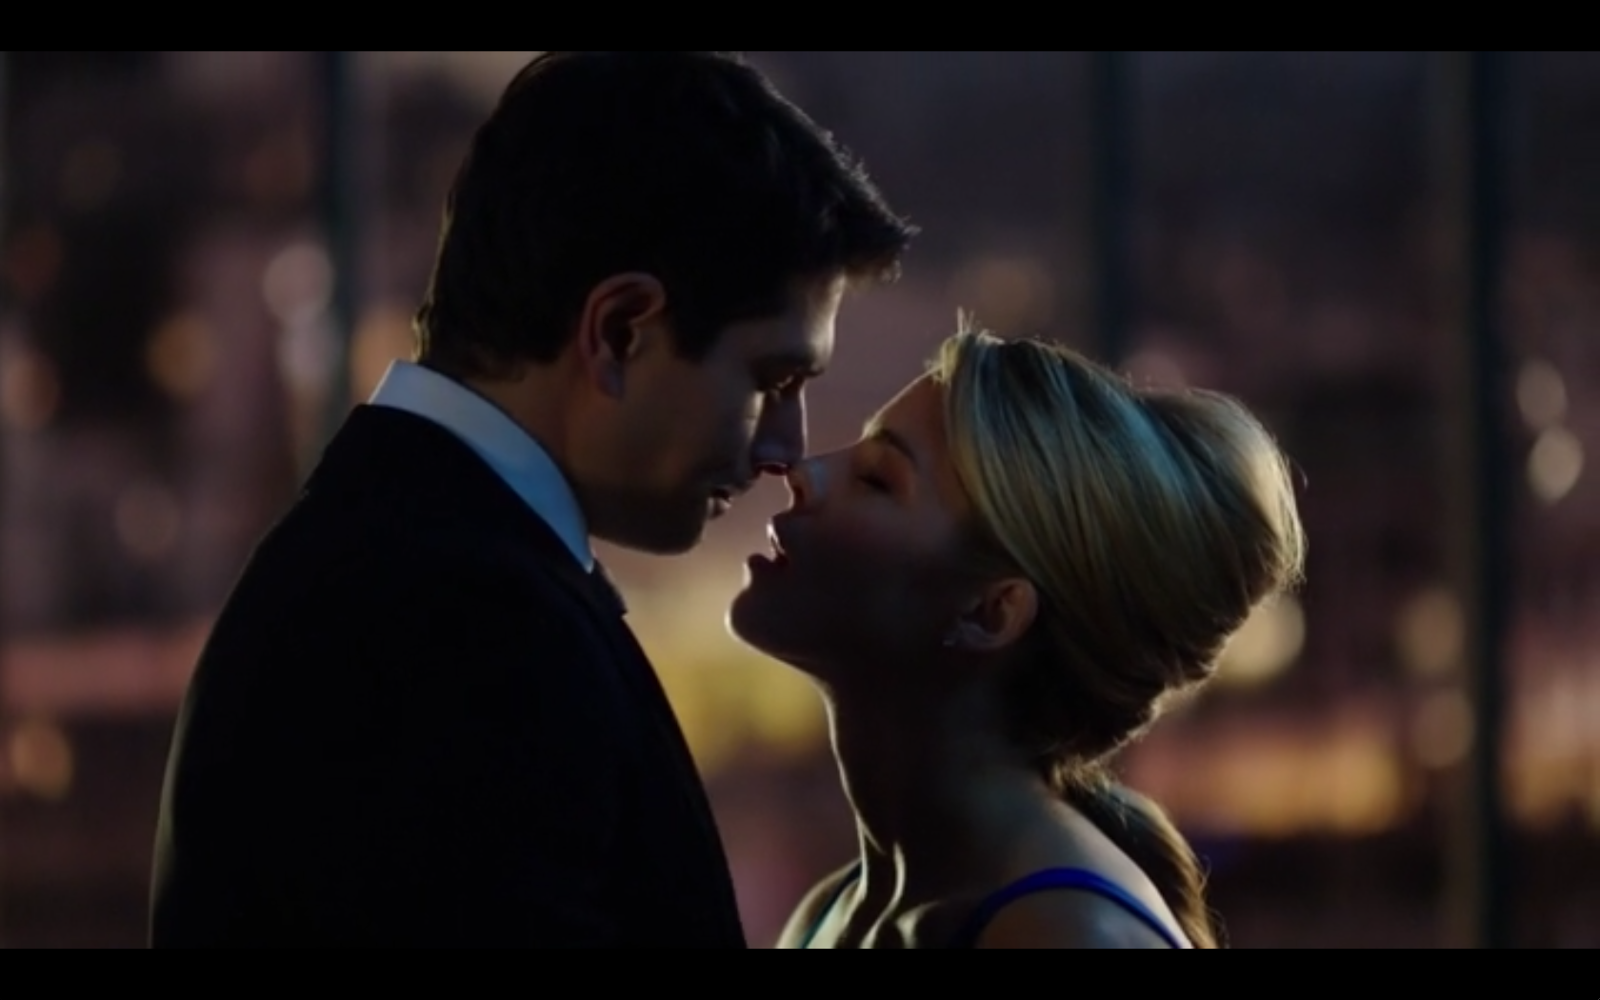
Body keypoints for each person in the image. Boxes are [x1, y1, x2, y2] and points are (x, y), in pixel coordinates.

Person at [150, 51, 915, 948]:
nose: (785, 447)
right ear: (619, 331)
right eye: (771, 380)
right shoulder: (464, 622)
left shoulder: (407, 562)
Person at [728, 321, 1307, 949]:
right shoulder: (830, 910)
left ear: (991, 613)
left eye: (878, 480)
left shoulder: (1068, 936)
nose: (803, 471)